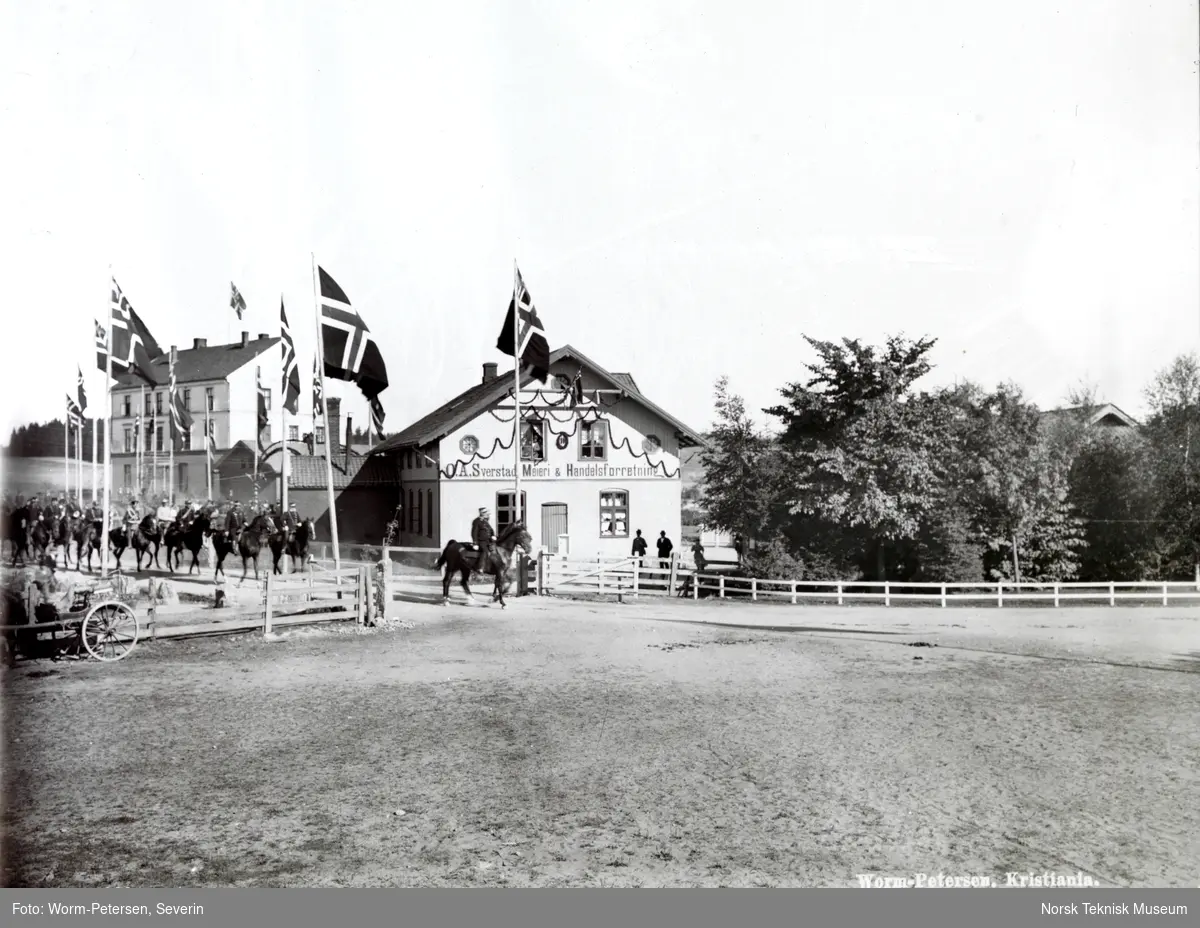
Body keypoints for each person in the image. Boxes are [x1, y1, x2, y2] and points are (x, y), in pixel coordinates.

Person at [471, 506, 496, 578]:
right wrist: (475, 543)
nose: (488, 514)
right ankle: (480, 568)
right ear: (482, 513)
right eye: (486, 513)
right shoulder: (477, 521)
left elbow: (490, 530)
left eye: (487, 513)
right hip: (481, 541)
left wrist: (493, 535)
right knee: (484, 551)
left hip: (489, 541)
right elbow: (474, 533)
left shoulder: (486, 521)